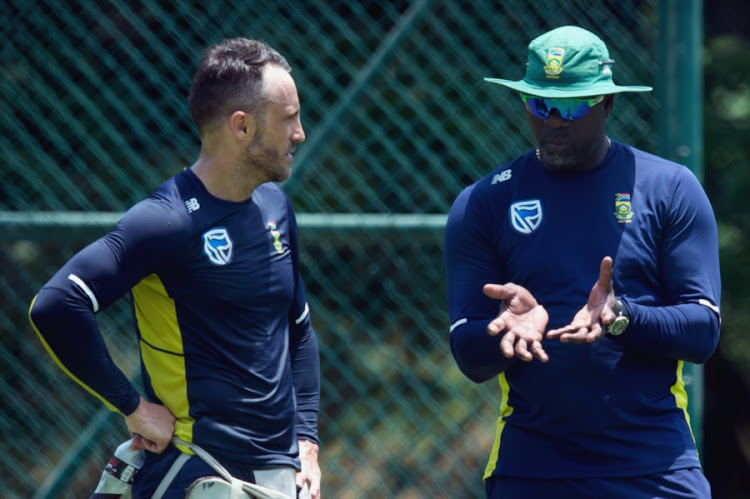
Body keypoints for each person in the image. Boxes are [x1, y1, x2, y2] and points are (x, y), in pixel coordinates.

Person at [29, 37, 321, 499]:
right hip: (197, 471)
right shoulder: (166, 220)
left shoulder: (275, 206)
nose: (300, 132)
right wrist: (132, 406)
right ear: (241, 126)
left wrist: (307, 441)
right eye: (288, 119)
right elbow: (57, 303)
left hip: (281, 478)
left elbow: (298, 328)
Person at [443, 25, 721, 499]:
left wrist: (621, 318)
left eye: (571, 107)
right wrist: (505, 332)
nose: (553, 120)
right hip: (532, 469)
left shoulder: (670, 189)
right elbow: (469, 352)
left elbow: (702, 330)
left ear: (607, 104)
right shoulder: (484, 203)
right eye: (539, 104)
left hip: (654, 468)